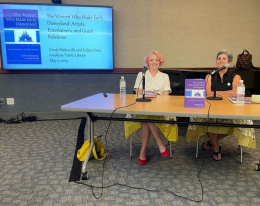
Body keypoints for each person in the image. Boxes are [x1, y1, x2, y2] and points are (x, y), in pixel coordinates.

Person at [186, 49, 256, 161]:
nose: (221, 61)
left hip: (231, 108)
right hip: (213, 107)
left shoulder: (236, 77)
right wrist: (226, 93)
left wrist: (217, 92)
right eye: (218, 58)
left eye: (224, 58)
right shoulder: (210, 76)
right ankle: (216, 149)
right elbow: (208, 93)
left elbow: (235, 92)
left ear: (229, 61)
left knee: (240, 122)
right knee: (208, 120)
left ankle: (212, 141)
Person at [124, 51, 178, 165]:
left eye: (156, 60)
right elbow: (138, 92)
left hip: (159, 106)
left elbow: (166, 95)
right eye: (151, 60)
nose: (154, 62)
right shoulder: (141, 74)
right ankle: (160, 144)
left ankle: (142, 152)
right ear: (147, 62)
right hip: (142, 105)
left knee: (146, 118)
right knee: (146, 114)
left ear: (160, 62)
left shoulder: (164, 76)